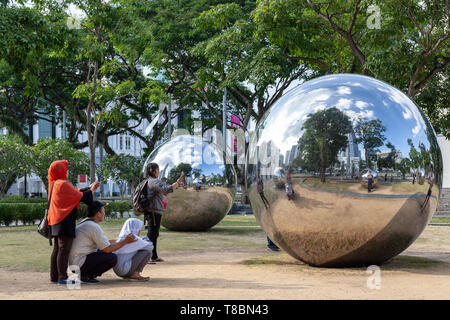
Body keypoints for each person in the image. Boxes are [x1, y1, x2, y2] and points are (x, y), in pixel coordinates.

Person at [47, 160, 100, 285]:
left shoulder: (55, 183)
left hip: (55, 220)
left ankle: (54, 276)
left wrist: (89, 187)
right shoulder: (63, 183)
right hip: (64, 220)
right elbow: (81, 196)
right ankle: (62, 277)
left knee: (57, 249)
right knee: (64, 249)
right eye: (65, 168)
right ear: (60, 170)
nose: (67, 171)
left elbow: (75, 192)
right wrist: (91, 190)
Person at [69, 201, 136, 284]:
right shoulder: (93, 226)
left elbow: (104, 243)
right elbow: (107, 249)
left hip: (75, 262)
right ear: (98, 213)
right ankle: (84, 275)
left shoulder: (87, 222)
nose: (104, 213)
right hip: (78, 263)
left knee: (106, 252)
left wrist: (121, 240)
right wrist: (125, 241)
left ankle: (84, 274)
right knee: (112, 258)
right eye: (103, 210)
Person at [144, 162, 183, 263]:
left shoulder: (150, 181)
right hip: (153, 211)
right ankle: (146, 257)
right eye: (158, 169)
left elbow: (164, 192)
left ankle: (154, 256)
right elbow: (167, 189)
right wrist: (177, 183)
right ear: (153, 171)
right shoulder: (153, 181)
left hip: (154, 211)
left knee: (154, 234)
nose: (159, 171)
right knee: (151, 234)